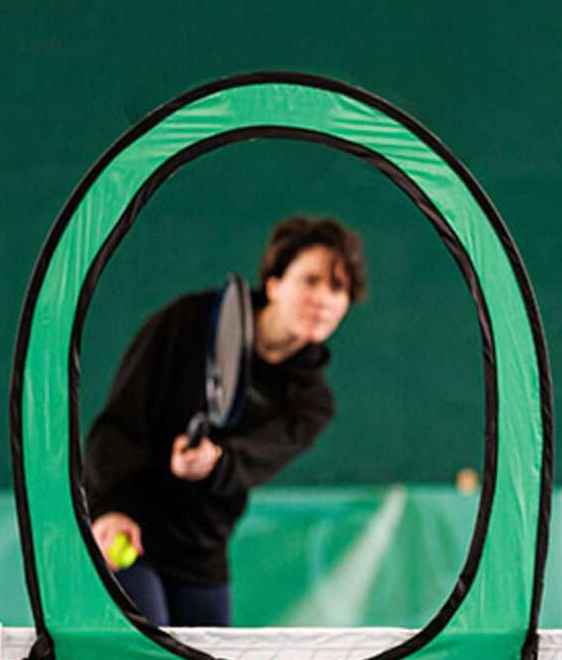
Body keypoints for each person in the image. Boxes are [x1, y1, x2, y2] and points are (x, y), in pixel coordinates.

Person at [83, 216, 366, 626]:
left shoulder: (312, 403)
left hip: (202, 551)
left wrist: (214, 460)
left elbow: (252, 460)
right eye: (311, 280)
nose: (324, 298)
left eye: (338, 288)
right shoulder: (186, 322)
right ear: (273, 283)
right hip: (131, 528)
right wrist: (110, 508)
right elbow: (119, 423)